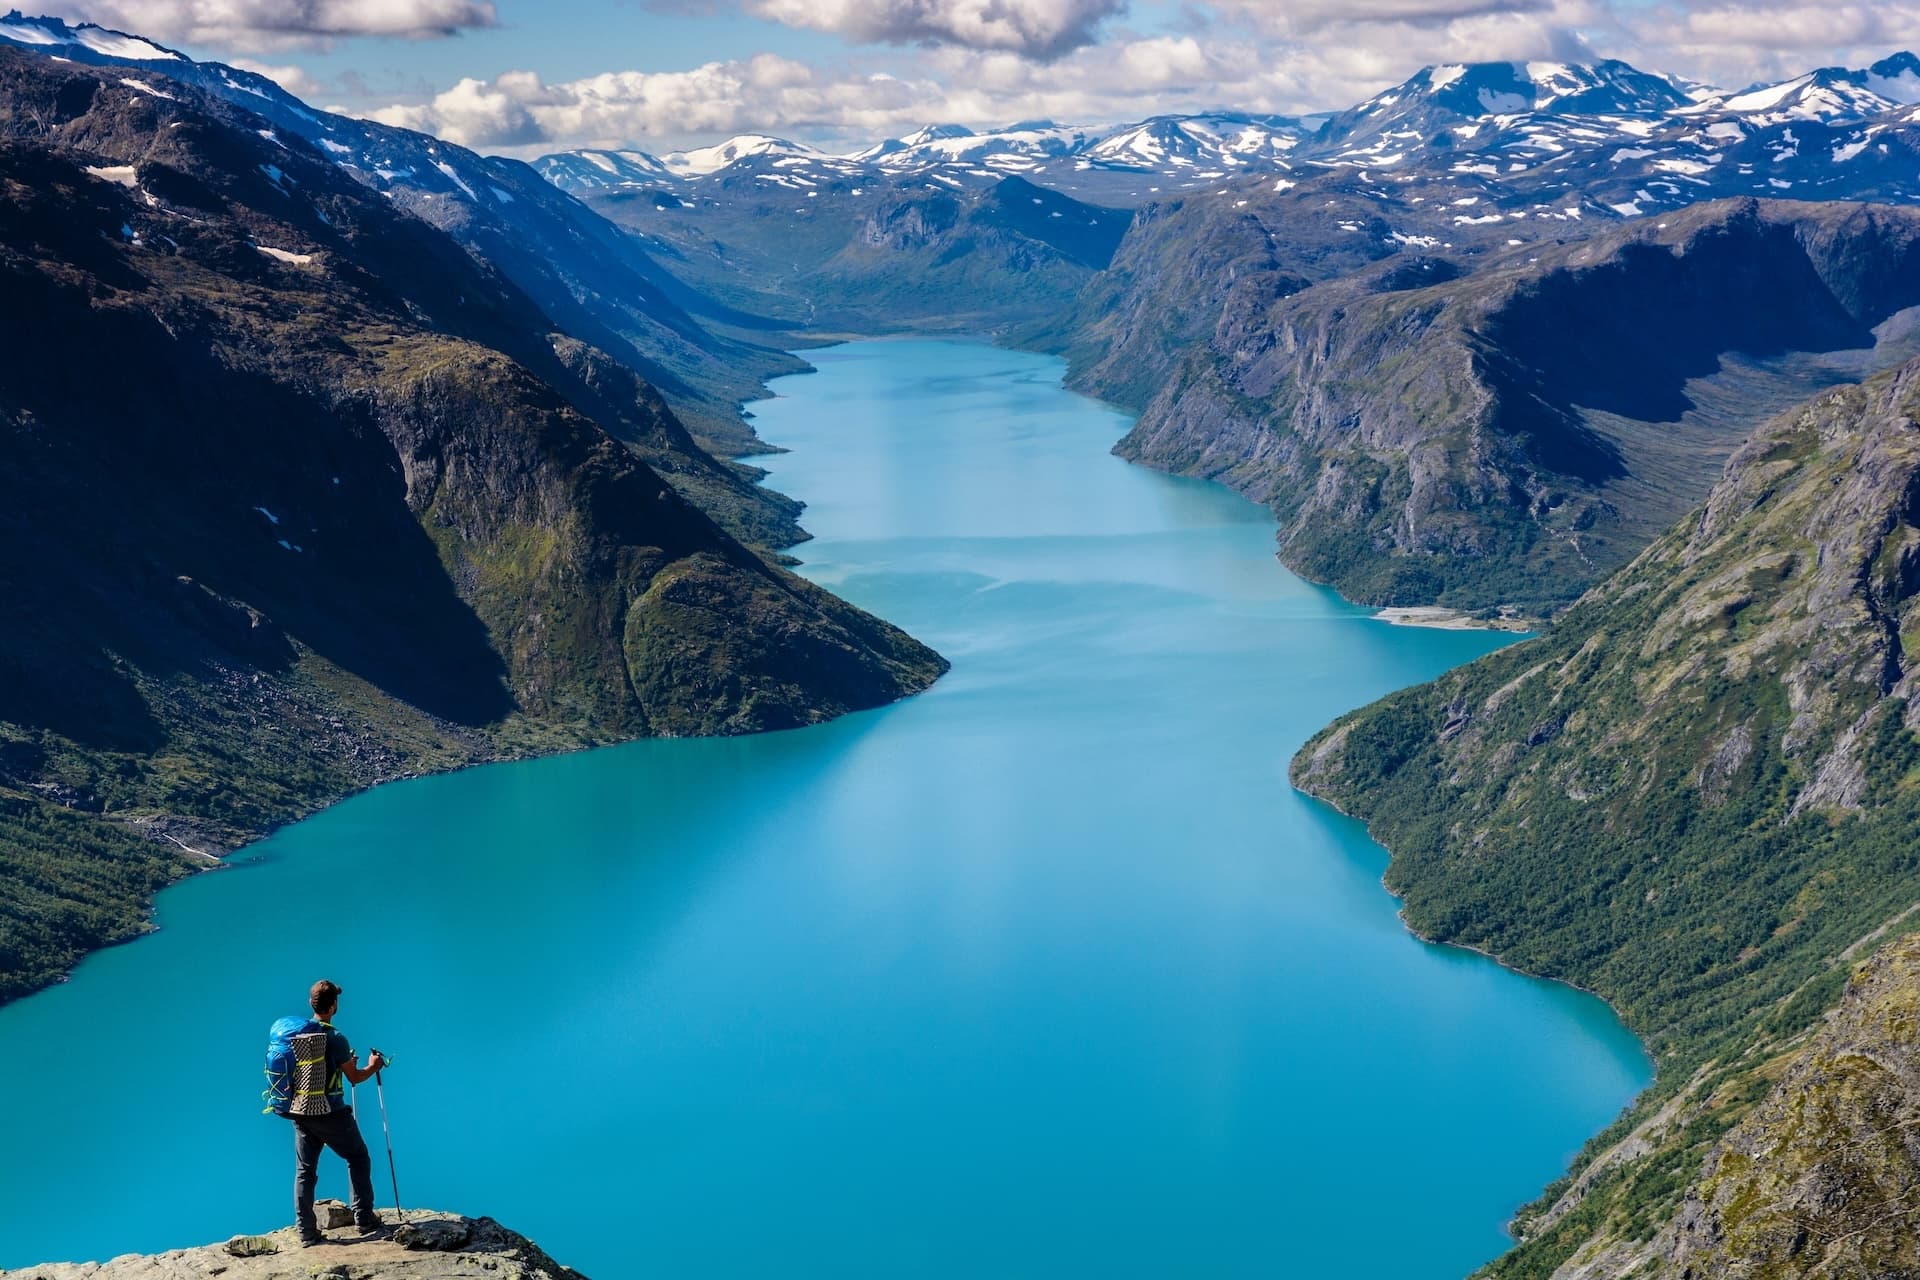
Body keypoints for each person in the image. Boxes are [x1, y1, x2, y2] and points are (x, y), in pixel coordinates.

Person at [289, 979, 387, 1246]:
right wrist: (373, 1066)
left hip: (301, 1112)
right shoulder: (335, 1037)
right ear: (333, 1006)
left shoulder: (294, 1035)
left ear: (311, 1003)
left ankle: (307, 1233)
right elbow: (354, 1077)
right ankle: (364, 1219)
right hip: (331, 1113)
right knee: (358, 1157)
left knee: (305, 1171)